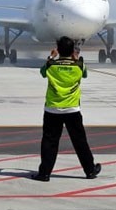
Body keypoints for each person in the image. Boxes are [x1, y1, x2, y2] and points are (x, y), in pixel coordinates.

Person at [32, 36, 101, 182]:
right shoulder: (79, 66)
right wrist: (76, 58)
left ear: (58, 49)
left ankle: (44, 173)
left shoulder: (51, 65)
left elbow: (42, 72)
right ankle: (90, 170)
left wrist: (51, 56)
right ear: (72, 51)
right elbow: (86, 74)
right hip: (72, 110)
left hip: (52, 109)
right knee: (80, 142)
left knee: (49, 142)